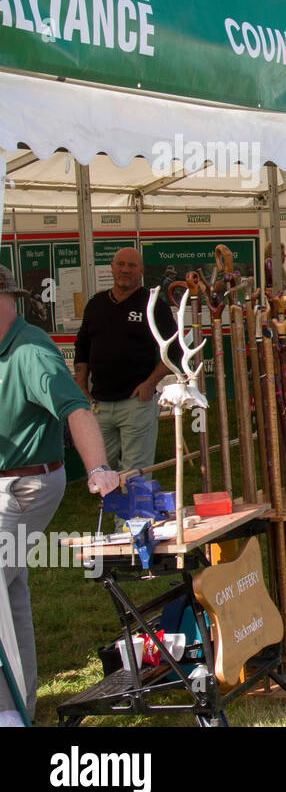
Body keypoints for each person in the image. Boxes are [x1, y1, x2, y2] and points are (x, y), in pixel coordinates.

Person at [1, 266, 120, 724]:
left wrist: (98, 468)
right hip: (7, 484)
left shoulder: (30, 350)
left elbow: (75, 408)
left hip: (26, 486)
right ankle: (16, 710)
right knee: (10, 592)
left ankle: (7, 712)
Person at [73, 247, 178, 477]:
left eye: (132, 266)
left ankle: (134, 514)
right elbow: (82, 347)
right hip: (99, 403)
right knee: (102, 470)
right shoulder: (96, 304)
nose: (125, 270)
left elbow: (172, 350)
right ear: (111, 268)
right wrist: (81, 383)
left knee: (136, 471)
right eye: (120, 264)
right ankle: (112, 512)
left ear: (141, 271)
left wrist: (150, 384)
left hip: (136, 403)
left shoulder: (153, 305)